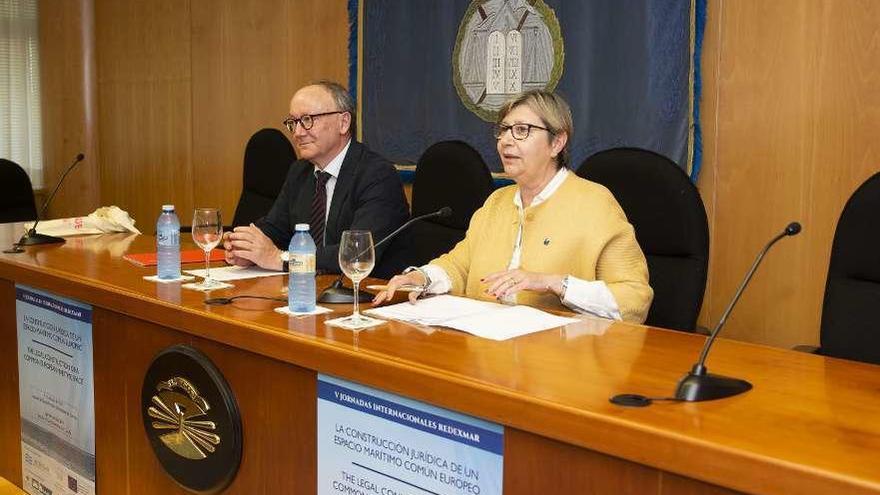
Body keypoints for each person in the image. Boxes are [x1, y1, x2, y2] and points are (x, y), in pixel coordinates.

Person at [373, 90, 653, 323]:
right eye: (504, 130)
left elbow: (635, 300)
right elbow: (459, 265)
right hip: (486, 350)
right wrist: (422, 277)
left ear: (557, 142)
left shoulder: (595, 204)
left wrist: (555, 284)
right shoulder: (498, 201)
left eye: (522, 131)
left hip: (560, 365)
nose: (506, 140)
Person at [223, 80, 410, 278]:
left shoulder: (377, 175)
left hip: (364, 294)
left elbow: (357, 254)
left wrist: (281, 258)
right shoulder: (300, 171)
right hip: (308, 289)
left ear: (343, 122)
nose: (298, 133)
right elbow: (274, 228)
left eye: (307, 120)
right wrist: (244, 246)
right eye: (293, 122)